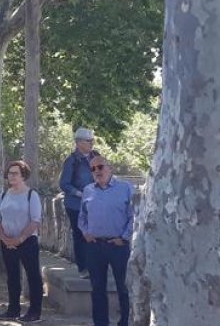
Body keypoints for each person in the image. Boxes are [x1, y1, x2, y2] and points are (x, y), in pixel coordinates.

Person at [79, 155, 133, 326]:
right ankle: (101, 323)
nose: (97, 171)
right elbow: (82, 216)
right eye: (93, 169)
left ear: (110, 168)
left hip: (118, 246)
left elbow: (134, 216)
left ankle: (125, 321)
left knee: (124, 287)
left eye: (100, 167)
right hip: (95, 246)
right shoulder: (88, 190)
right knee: (97, 289)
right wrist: (86, 232)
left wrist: (124, 237)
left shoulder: (126, 188)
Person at [0, 160, 44, 323]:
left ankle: (35, 312)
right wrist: (3, 237)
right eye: (9, 173)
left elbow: (35, 220)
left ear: (23, 176)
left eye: (15, 173)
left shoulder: (31, 195)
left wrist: (20, 238)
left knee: (33, 276)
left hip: (27, 242)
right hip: (7, 242)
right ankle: (13, 309)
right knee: (12, 276)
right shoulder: (3, 195)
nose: (11, 176)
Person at [59, 128, 99, 277]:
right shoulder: (72, 161)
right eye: (88, 141)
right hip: (76, 205)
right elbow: (64, 184)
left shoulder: (96, 157)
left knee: (96, 234)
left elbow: (103, 174)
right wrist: (79, 193)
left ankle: (96, 265)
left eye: (92, 140)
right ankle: (83, 268)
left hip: (95, 204)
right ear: (79, 142)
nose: (91, 143)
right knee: (80, 234)